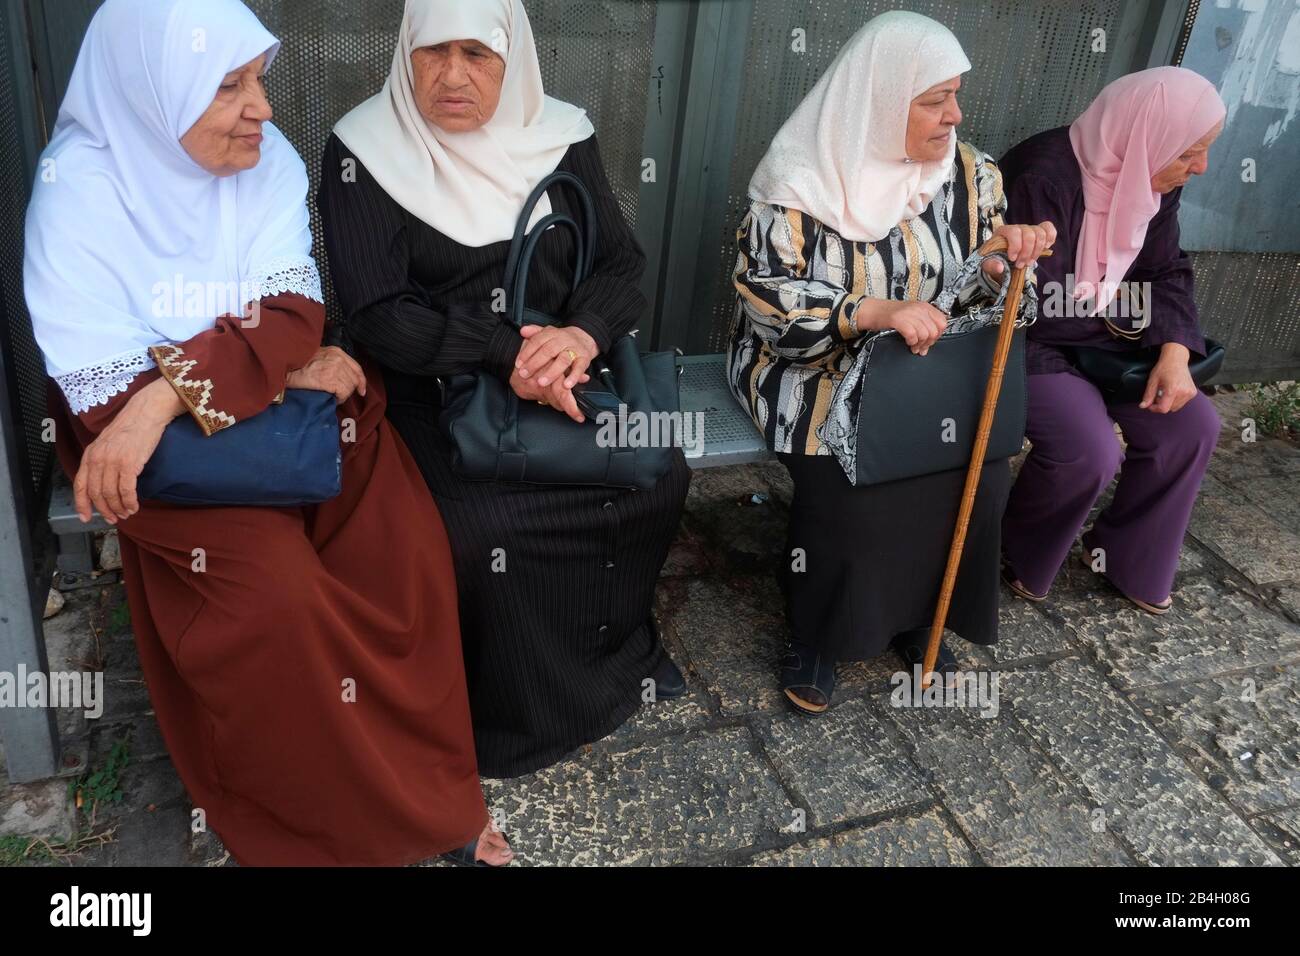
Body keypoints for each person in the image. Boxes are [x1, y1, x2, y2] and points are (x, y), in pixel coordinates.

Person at [24, 0, 509, 866]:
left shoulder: (264, 161)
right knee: (275, 598)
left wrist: (172, 389)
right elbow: (109, 407)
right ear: (151, 95)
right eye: (228, 87)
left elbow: (291, 315)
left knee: (403, 549)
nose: (264, 108)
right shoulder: (77, 192)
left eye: (260, 80)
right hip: (152, 456)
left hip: (237, 411)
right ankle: (316, 829)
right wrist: (205, 385)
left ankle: (432, 797)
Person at [318, 0, 692, 778]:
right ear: (405, 55)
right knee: (484, 530)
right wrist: (502, 353)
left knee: (657, 473)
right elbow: (378, 314)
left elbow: (621, 263)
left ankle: (613, 666)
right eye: (433, 53)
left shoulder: (560, 133)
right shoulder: (364, 150)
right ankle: (513, 713)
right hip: (437, 385)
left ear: (511, 59)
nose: (452, 76)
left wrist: (580, 335)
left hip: (566, 367)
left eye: (477, 55)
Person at [726, 11, 1052, 715]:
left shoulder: (971, 174)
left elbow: (977, 280)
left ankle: (914, 615)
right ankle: (818, 629)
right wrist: (873, 312)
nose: (954, 115)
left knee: (979, 471)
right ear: (876, 100)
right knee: (853, 477)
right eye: (934, 99)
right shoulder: (798, 183)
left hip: (920, 369)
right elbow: (772, 303)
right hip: (812, 368)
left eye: (956, 95)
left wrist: (1005, 263)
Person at [1000, 67, 1226, 615]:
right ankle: (1013, 553)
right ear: (1149, 134)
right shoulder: (1043, 176)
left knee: (1192, 425)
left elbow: (1165, 268)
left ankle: (1125, 556)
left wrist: (1174, 352)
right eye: (1190, 152)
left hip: (1110, 340)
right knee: (1090, 451)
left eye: (1205, 151)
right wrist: (1121, 319)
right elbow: (1033, 302)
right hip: (1033, 343)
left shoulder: (1152, 173)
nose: (1200, 168)